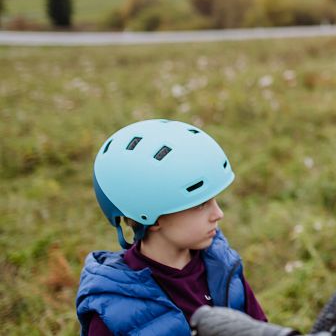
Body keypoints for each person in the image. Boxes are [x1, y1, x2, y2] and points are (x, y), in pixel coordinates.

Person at [76, 119, 266, 336]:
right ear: (152, 217)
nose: (218, 214)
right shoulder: (113, 309)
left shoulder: (223, 266)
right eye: (201, 204)